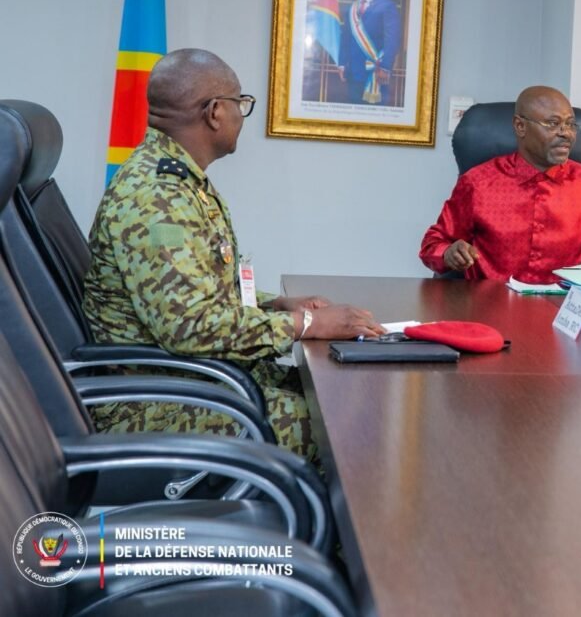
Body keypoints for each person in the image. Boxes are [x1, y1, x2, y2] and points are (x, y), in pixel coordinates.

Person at [83, 48, 384, 459]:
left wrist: (275, 304)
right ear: (214, 113)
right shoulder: (157, 198)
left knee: (348, 396)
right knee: (341, 425)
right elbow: (190, 327)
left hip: (198, 381)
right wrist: (305, 323)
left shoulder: (180, 179)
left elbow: (200, 294)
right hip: (154, 403)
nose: (243, 115)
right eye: (241, 103)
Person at [420, 86, 581, 283]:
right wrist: (449, 253)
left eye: (570, 125)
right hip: (491, 309)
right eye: (553, 124)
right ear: (520, 126)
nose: (566, 134)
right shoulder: (478, 183)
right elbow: (433, 244)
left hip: (563, 311)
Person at [339, 0, 402, 105]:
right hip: (354, 72)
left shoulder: (387, 6)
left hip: (377, 72)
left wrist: (386, 67)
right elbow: (345, 38)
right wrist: (342, 64)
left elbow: (392, 39)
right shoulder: (352, 8)